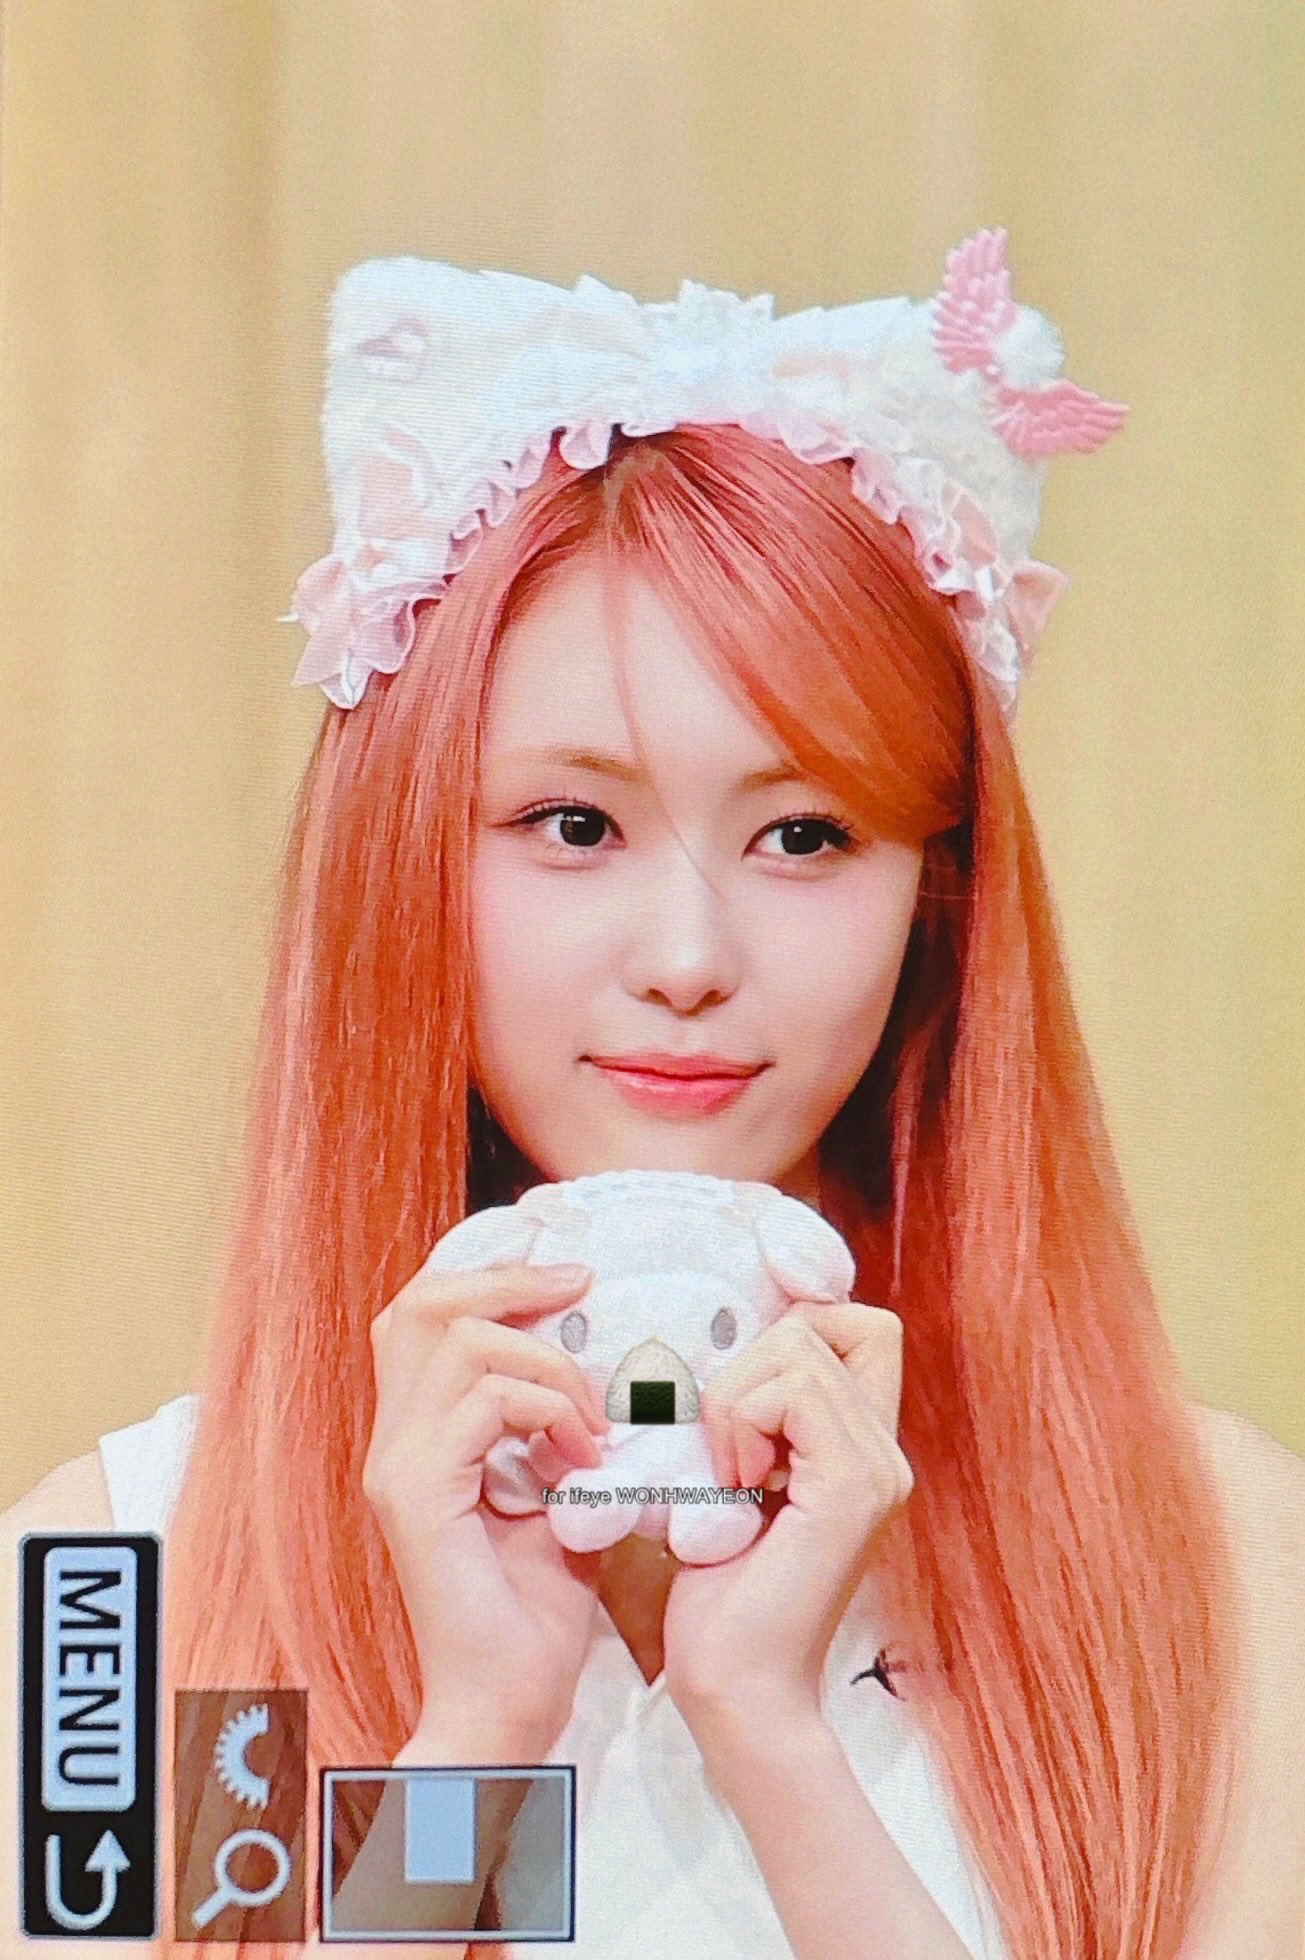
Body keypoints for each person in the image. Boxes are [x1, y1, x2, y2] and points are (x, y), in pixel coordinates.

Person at [3, 233, 1304, 1960]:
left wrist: (771, 1739)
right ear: (402, 857)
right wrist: (479, 1730)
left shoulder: (1214, 1554)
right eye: (573, 825)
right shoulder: (114, 1579)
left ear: (937, 894)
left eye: (805, 834)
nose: (687, 956)